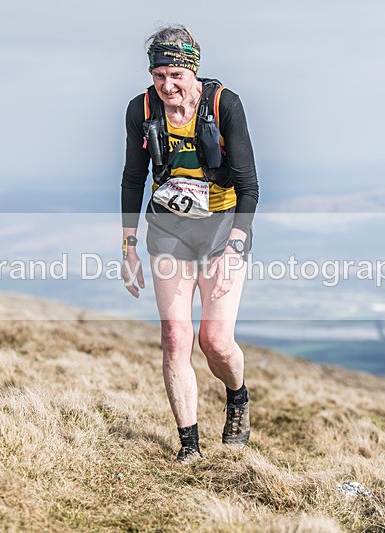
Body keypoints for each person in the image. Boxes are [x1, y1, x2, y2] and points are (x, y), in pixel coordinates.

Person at [120, 25, 259, 464]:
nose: (167, 86)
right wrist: (127, 248)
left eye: (176, 74)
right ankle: (189, 446)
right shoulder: (141, 110)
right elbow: (132, 178)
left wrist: (235, 246)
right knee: (175, 337)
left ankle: (236, 396)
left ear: (193, 71)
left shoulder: (224, 106)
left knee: (214, 340)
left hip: (222, 231)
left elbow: (249, 187)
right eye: (159, 75)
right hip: (169, 230)